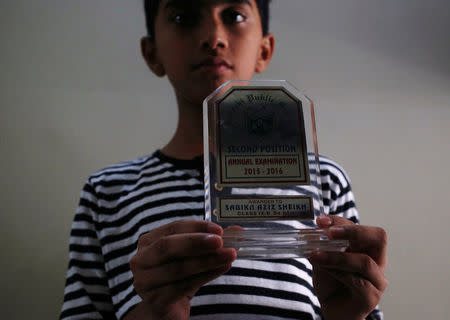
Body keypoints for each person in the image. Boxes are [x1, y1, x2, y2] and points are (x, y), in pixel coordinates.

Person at [60, 0, 387, 319]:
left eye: (234, 15)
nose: (213, 37)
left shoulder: (324, 181)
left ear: (264, 50)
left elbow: (361, 307)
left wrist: (348, 317)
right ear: (152, 53)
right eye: (182, 16)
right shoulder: (107, 192)